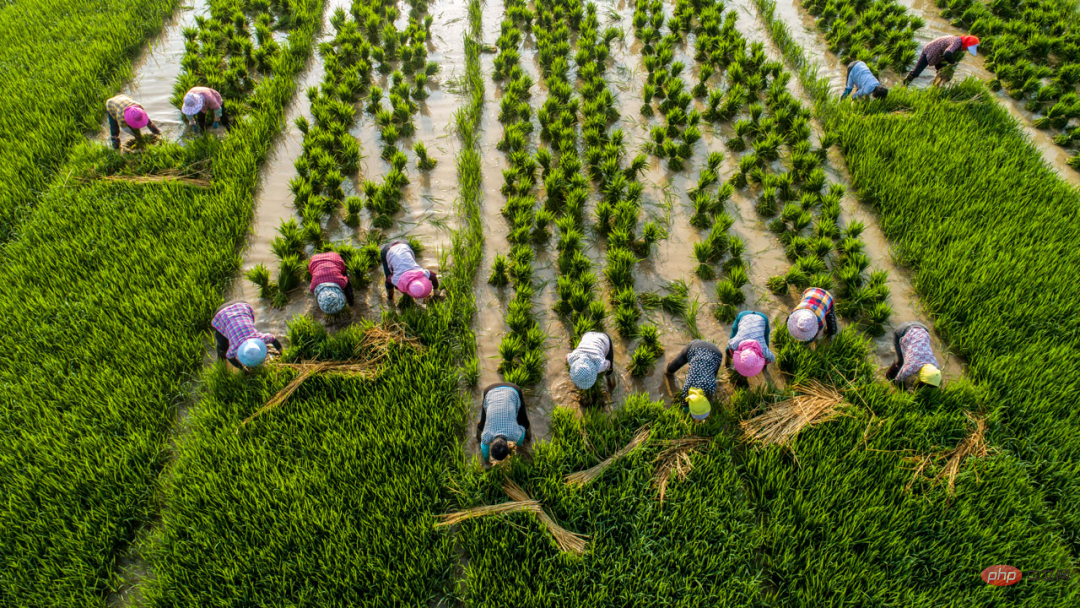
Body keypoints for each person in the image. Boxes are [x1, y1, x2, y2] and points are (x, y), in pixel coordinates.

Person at [211, 301, 281, 370]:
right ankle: (221, 361)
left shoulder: (260, 337)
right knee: (222, 346)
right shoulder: (235, 347)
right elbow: (229, 357)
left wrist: (282, 352)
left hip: (241, 305)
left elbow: (273, 339)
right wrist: (242, 368)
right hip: (221, 314)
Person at [665, 340, 723, 421]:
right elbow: (685, 405)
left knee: (712, 373)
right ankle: (668, 371)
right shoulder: (687, 388)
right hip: (697, 348)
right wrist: (686, 413)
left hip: (715, 354)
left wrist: (689, 414)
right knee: (673, 366)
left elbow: (685, 404)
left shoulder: (711, 386)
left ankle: (669, 371)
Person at [477, 382, 529, 463]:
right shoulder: (487, 435)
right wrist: (518, 447)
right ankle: (478, 435)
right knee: (524, 423)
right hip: (490, 391)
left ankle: (477, 437)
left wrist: (486, 461)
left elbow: (522, 433)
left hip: (507, 390)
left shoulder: (515, 434)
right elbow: (484, 446)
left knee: (524, 423)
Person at [885, 322, 943, 389]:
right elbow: (898, 380)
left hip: (923, 329)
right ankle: (887, 376)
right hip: (902, 330)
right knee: (900, 362)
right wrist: (903, 390)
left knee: (908, 357)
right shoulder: (910, 368)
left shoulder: (936, 368)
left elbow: (934, 379)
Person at [903, 35, 979, 86]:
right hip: (930, 51)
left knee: (941, 72)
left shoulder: (960, 43)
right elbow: (947, 54)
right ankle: (904, 84)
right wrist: (953, 62)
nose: (967, 50)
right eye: (968, 48)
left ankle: (935, 87)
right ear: (967, 43)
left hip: (939, 54)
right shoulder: (957, 42)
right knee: (916, 73)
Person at [725, 311, 776, 378]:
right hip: (743, 316)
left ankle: (764, 368)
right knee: (728, 349)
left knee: (766, 342)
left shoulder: (763, 349)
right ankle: (727, 364)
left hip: (762, 319)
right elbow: (728, 347)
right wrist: (731, 354)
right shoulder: (736, 343)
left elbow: (771, 359)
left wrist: (763, 363)